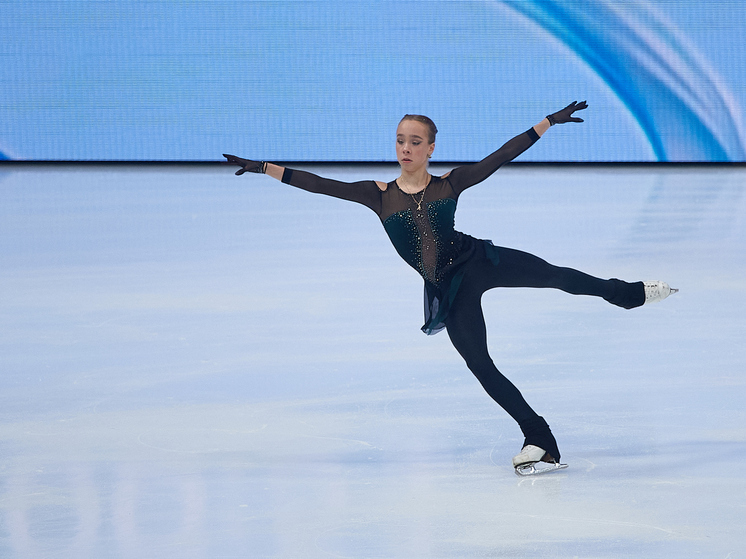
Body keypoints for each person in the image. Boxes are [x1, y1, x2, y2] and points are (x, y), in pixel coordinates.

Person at [224, 102, 677, 473]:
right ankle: (540, 439)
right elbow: (319, 184)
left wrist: (547, 123)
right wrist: (264, 167)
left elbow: (499, 157)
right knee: (480, 364)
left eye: (414, 141)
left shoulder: (450, 183)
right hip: (448, 289)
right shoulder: (377, 194)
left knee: (556, 275)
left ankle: (628, 294)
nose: (405, 148)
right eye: (400, 140)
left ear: (430, 148)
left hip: (479, 261)